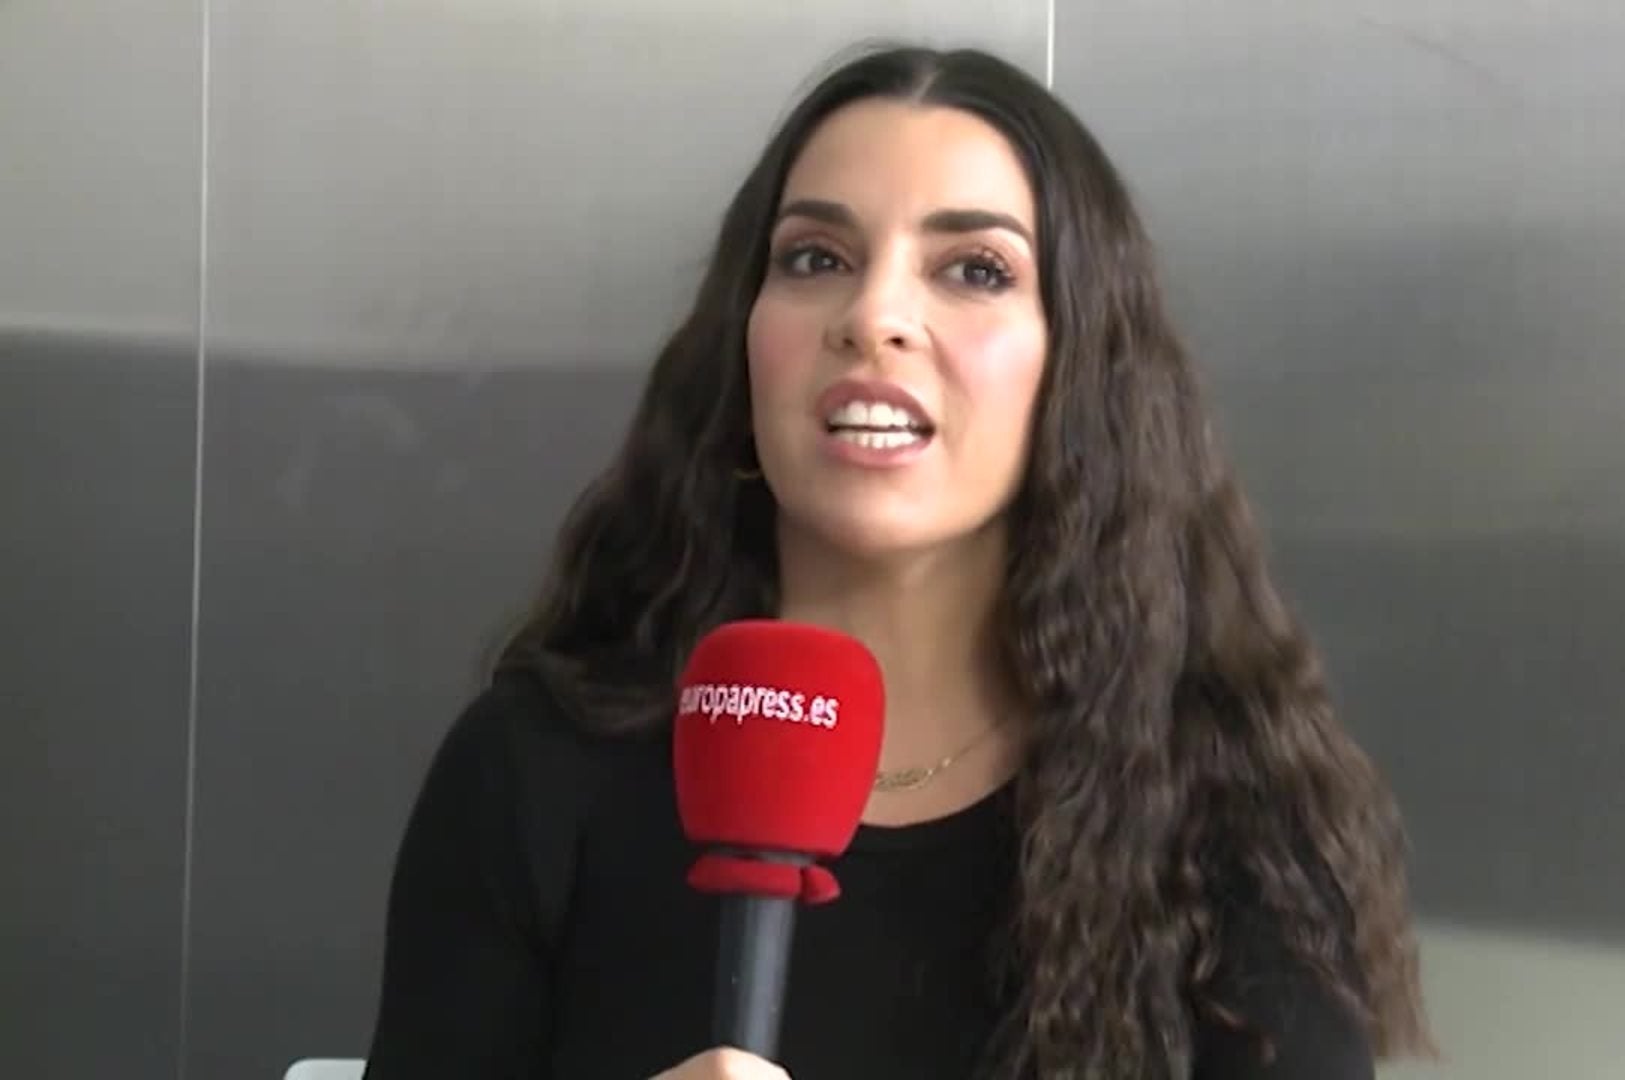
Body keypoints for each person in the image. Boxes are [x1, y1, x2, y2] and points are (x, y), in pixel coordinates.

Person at [362, 42, 1431, 1080]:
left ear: (1079, 372)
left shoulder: (1230, 808)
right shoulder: (535, 768)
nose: (874, 317)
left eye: (975, 269)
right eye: (816, 259)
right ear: (743, 346)